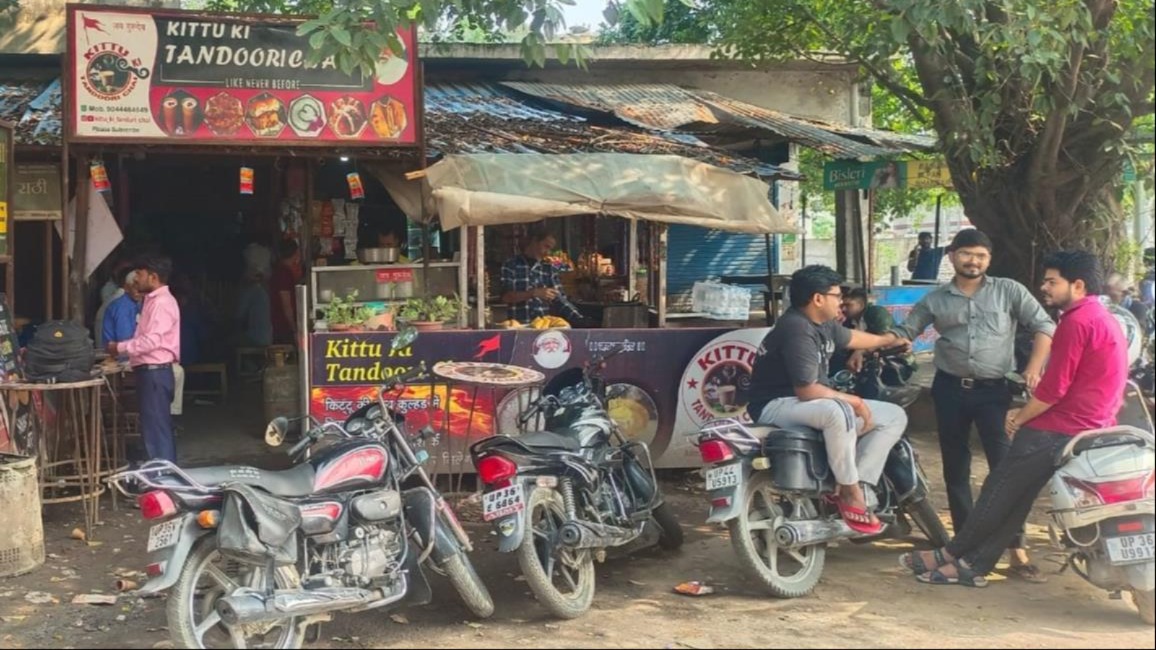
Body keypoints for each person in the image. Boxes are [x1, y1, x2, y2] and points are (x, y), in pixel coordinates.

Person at [899, 250, 1127, 587]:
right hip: (1091, 424)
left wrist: (1020, 416)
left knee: (999, 491)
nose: (1044, 287)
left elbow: (1054, 389)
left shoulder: (1076, 322)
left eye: (1052, 281)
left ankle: (953, 555)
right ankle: (972, 565)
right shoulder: (1103, 317)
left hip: (1060, 427)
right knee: (1015, 499)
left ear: (1077, 285)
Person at [892, 228, 1055, 580]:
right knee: (955, 470)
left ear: (989, 260)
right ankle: (964, 548)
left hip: (995, 393)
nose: (973, 261)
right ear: (952, 255)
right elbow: (906, 332)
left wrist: (1032, 369)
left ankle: (1017, 549)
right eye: (967, 254)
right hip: (949, 390)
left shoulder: (1009, 291)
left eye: (980, 255)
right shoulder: (935, 299)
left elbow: (1045, 326)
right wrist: (883, 343)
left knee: (1005, 470)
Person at [747, 265, 909, 535]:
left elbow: (853, 338)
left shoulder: (823, 324)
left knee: (893, 416)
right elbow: (807, 390)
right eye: (836, 295)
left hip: (804, 405)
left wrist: (886, 340)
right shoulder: (797, 328)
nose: (841, 301)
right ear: (817, 299)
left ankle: (863, 483)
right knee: (839, 411)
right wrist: (855, 402)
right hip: (775, 405)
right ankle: (850, 492)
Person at [108, 255, 180, 464]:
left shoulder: (161, 304)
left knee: (157, 430)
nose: (136, 279)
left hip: (155, 371)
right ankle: (160, 476)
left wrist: (119, 348)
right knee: (154, 428)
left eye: (139, 274)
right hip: (150, 371)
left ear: (153, 277)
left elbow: (151, 341)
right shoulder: (152, 302)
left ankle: (163, 479)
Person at [500, 228, 584, 325]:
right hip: (519, 327)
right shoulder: (511, 264)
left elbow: (560, 300)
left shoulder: (549, 267)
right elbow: (505, 297)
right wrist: (534, 293)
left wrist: (579, 319)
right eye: (546, 246)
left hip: (543, 326)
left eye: (550, 249)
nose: (548, 252)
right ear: (535, 241)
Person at [100, 270, 142, 352]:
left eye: (140, 287)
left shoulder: (135, 304)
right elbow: (125, 338)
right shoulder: (122, 306)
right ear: (126, 287)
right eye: (134, 287)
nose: (138, 291)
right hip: (120, 356)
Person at [270, 239, 302, 346]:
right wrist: (294, 328)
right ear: (296, 253)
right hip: (283, 325)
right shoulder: (284, 273)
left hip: (279, 324)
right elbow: (286, 304)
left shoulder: (280, 271)